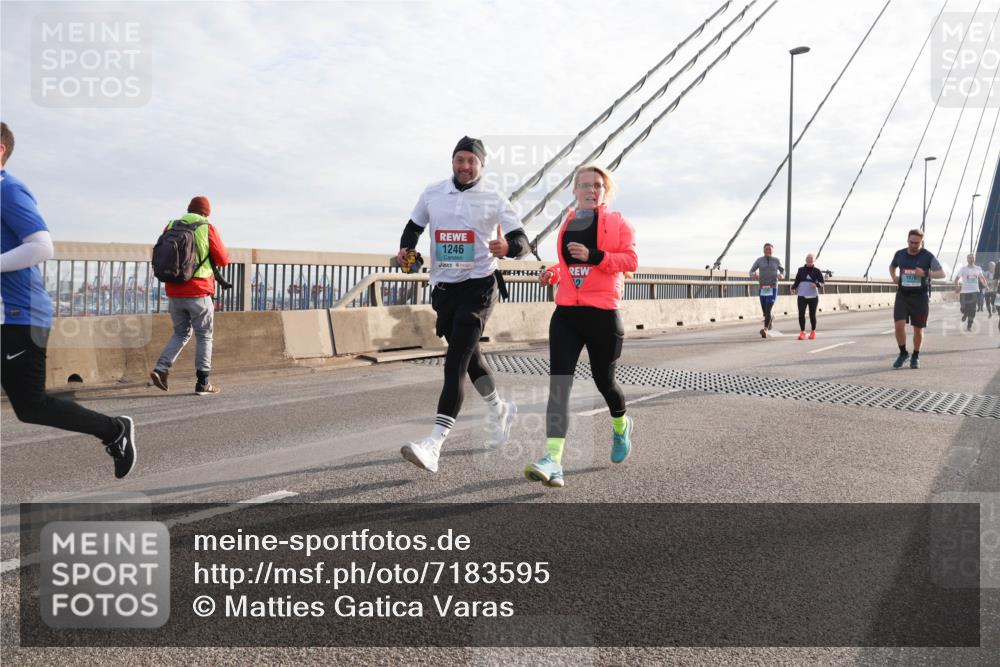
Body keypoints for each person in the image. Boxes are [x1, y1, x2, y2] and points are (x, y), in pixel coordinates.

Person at [0, 122, 136, 478]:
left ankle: (114, 430)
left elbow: (42, 246)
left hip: (18, 317)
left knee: (31, 406)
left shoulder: (10, 190)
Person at [397, 136, 530, 473]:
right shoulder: (433, 192)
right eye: (460, 160)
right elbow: (413, 228)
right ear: (452, 162)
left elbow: (521, 241)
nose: (465, 166)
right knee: (471, 359)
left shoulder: (494, 198)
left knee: (454, 361)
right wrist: (406, 250)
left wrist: (508, 248)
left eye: (472, 161)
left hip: (480, 288)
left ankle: (434, 444)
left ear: (481, 165)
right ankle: (500, 408)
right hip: (445, 290)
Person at [524, 165, 638, 489]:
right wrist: (554, 273)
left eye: (597, 186)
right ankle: (553, 460)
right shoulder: (568, 224)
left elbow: (630, 261)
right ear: (574, 191)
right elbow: (568, 265)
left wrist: (596, 254)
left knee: (606, 383)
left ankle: (620, 426)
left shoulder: (618, 224)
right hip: (566, 315)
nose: (591, 190)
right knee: (559, 385)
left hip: (602, 315)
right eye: (585, 185)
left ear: (605, 191)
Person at [149, 196, 229, 395]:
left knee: (180, 333)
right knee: (204, 336)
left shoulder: (171, 225)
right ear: (206, 212)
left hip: (174, 290)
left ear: (189, 209)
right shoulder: (206, 227)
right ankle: (203, 383)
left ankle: (161, 369)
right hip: (198, 291)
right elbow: (222, 259)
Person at [889, 228, 945, 369]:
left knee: (918, 330)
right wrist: (894, 277)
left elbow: (942, 274)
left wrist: (926, 273)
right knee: (898, 326)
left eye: (917, 243)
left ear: (922, 242)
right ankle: (903, 353)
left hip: (920, 298)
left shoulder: (927, 256)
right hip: (902, 296)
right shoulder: (900, 254)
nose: (913, 245)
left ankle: (915, 355)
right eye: (911, 242)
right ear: (907, 240)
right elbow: (892, 266)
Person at [749, 244, 784, 338]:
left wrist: (781, 275)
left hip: (773, 287)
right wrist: (754, 275)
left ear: (773, 251)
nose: (768, 251)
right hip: (763, 288)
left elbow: (783, 271)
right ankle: (770, 318)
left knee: (768, 308)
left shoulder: (776, 260)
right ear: (763, 250)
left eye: (770, 249)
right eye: (766, 249)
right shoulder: (759, 260)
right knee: (765, 311)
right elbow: (751, 271)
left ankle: (765, 329)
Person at [791, 253, 824, 340]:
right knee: (801, 314)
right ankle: (802, 332)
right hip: (802, 295)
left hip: (813, 296)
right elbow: (797, 281)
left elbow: (822, 283)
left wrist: (816, 284)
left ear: (814, 260)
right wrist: (793, 288)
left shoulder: (817, 271)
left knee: (812, 315)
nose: (809, 260)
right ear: (805, 260)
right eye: (808, 258)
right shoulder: (801, 270)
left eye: (811, 259)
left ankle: (813, 331)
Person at [954, 254, 987, 332]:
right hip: (964, 292)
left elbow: (982, 278)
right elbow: (956, 279)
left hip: (974, 291)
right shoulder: (963, 269)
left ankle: (969, 326)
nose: (971, 259)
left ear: (974, 259)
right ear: (967, 259)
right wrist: (957, 287)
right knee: (963, 309)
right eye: (969, 258)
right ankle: (965, 313)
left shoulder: (978, 268)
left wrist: (986, 285)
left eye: (972, 258)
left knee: (973, 310)